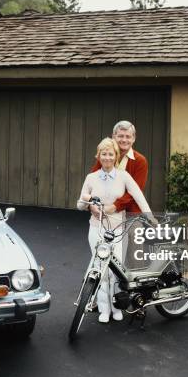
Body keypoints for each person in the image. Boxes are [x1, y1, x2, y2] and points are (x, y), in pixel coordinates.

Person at [77, 138, 152, 323]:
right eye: (104, 154)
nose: (107, 157)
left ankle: (118, 307)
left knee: (116, 271)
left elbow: (138, 196)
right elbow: (79, 204)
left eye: (111, 154)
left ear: (116, 156)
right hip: (96, 228)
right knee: (100, 269)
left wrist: (151, 217)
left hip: (117, 229)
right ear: (99, 156)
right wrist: (89, 203)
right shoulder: (91, 177)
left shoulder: (123, 176)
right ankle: (103, 309)